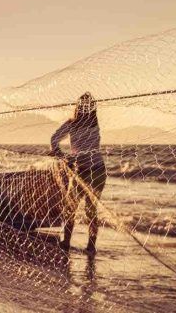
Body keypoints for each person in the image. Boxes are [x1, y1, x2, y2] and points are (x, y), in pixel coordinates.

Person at [50, 92, 107, 253]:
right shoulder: (94, 124)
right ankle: (91, 246)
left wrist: (60, 154)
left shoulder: (72, 124)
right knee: (91, 210)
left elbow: (54, 139)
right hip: (98, 170)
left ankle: (66, 242)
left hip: (82, 171)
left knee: (70, 208)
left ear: (77, 107)